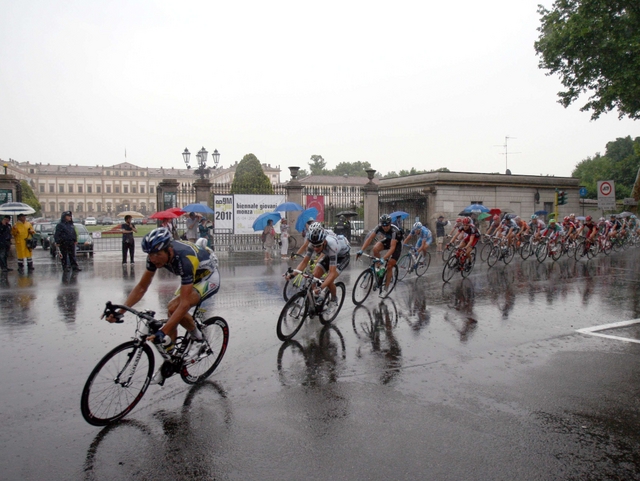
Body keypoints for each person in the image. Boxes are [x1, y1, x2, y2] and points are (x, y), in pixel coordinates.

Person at [105, 227, 220, 386]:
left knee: (175, 308)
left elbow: (185, 304)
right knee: (171, 313)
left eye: (158, 254)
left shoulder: (184, 259)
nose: (154, 259)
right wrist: (121, 311)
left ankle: (199, 339)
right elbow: (141, 287)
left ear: (169, 250)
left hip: (207, 277)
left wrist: (163, 331)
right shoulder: (154, 257)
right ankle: (171, 361)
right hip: (192, 276)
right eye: (150, 255)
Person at [288, 222, 350, 310]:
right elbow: (304, 262)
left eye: (318, 246)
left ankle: (333, 299)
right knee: (314, 276)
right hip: (328, 254)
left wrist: (321, 287)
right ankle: (317, 299)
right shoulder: (312, 243)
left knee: (328, 280)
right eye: (314, 246)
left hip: (342, 257)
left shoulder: (332, 245)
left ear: (324, 242)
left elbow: (332, 273)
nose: (316, 249)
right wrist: (292, 275)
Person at [357, 214, 404, 293]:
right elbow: (370, 238)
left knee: (389, 265)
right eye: (383, 225)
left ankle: (386, 288)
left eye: (387, 225)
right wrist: (361, 250)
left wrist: (383, 258)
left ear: (390, 224)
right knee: (375, 248)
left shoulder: (394, 231)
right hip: (389, 240)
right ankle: (381, 268)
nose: (385, 227)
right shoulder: (378, 227)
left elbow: (392, 248)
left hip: (397, 244)